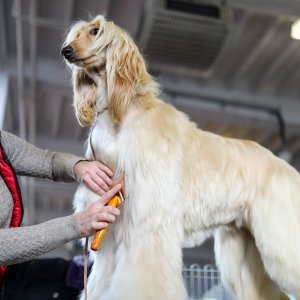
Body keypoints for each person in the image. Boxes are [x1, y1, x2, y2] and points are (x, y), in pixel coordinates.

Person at [0, 130, 121, 297]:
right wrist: (76, 225)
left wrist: (78, 167)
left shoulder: (1, 142)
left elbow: (48, 162)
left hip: (12, 272)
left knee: (67, 275)